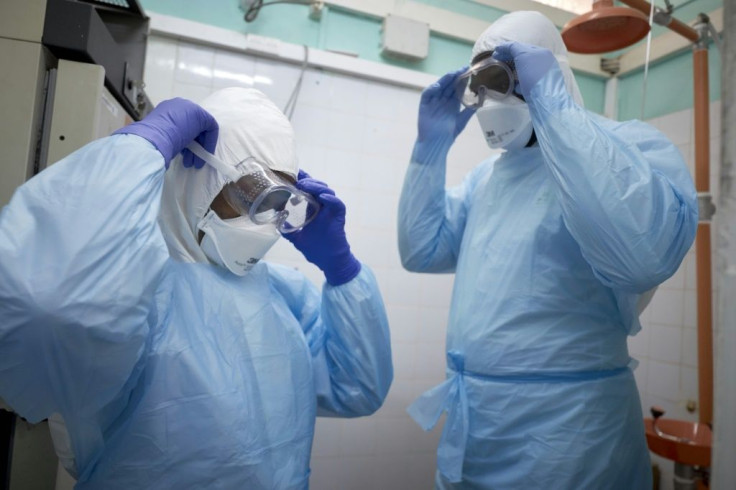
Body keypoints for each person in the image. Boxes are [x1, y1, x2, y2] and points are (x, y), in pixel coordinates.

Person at [0, 87, 392, 489]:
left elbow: (357, 389)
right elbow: (45, 309)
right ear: (196, 175)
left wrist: (341, 269)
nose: (266, 223)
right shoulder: (129, 292)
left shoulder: (282, 295)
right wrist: (138, 149)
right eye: (256, 195)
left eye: (281, 203)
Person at [398, 11, 697, 490]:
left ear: (549, 73)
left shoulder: (630, 145)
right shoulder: (489, 178)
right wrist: (429, 151)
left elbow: (643, 258)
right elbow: (422, 250)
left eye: (501, 80)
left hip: (568, 436)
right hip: (478, 427)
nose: (490, 100)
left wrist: (557, 113)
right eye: (479, 86)